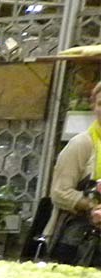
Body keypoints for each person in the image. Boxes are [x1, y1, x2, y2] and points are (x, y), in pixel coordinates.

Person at [44, 82, 101, 266]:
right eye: (100, 104)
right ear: (93, 106)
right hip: (77, 242)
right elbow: (60, 193)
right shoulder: (82, 144)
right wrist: (92, 204)